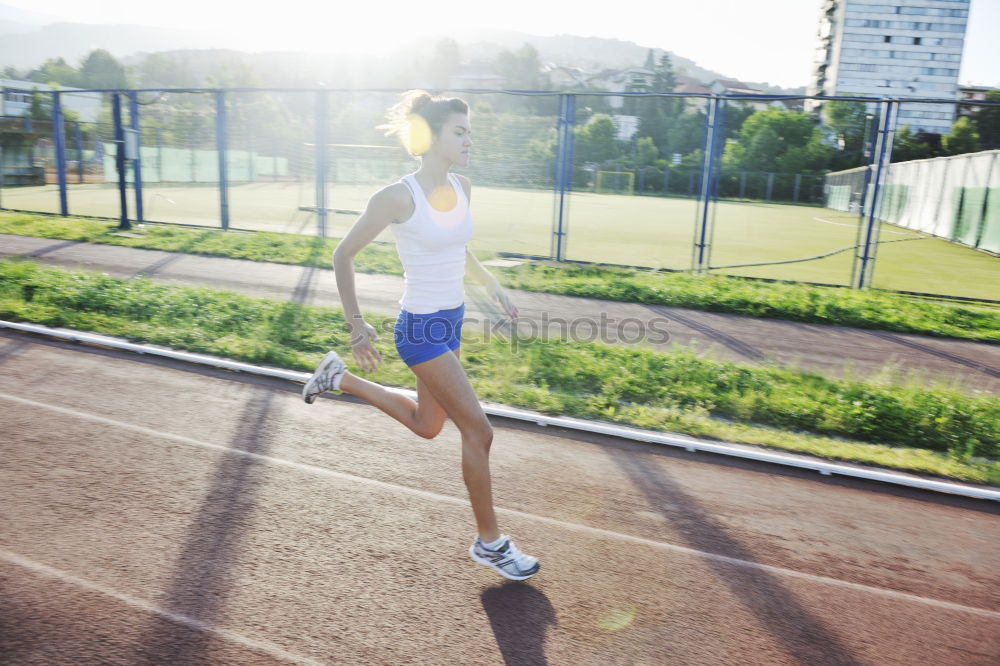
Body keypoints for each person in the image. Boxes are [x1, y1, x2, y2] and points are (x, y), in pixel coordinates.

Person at [302, 90, 539, 581]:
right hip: (420, 330)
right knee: (479, 430)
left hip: (449, 320)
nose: (470, 138)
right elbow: (342, 254)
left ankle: (338, 379)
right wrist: (356, 325)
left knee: (428, 425)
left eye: (469, 130)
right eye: (460, 131)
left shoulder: (464, 186)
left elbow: (460, 248)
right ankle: (490, 543)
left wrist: (492, 287)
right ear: (431, 137)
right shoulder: (396, 197)